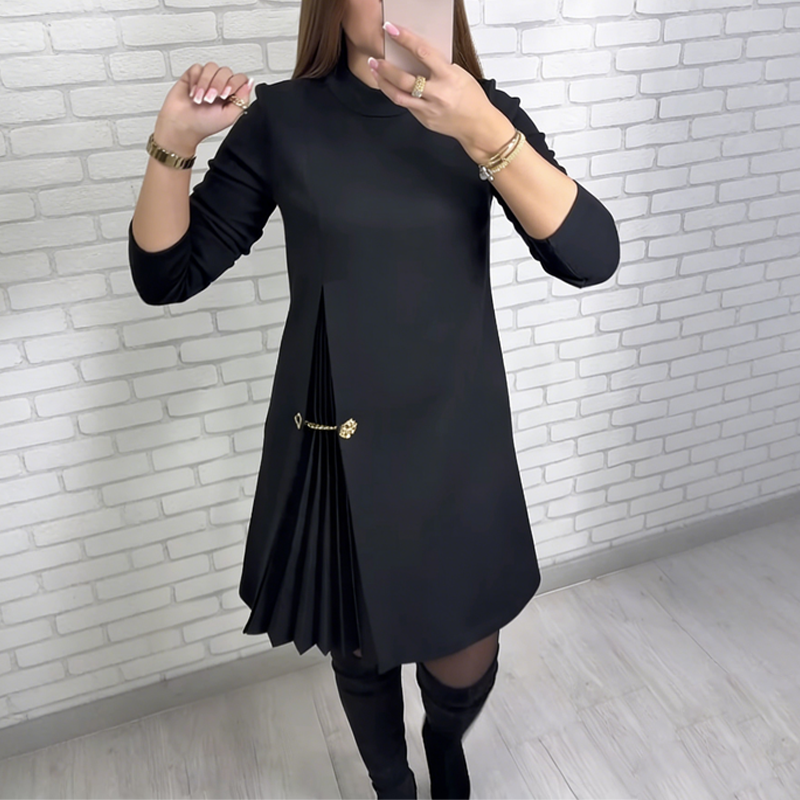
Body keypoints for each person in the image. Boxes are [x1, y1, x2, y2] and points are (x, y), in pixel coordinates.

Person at [128, 0, 620, 797]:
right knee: (359, 649)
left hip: (456, 436)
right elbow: (167, 276)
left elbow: (590, 256)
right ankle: (391, 783)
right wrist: (174, 142)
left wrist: (482, 129)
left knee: (466, 655)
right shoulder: (284, 119)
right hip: (337, 435)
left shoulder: (482, 113)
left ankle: (444, 739)